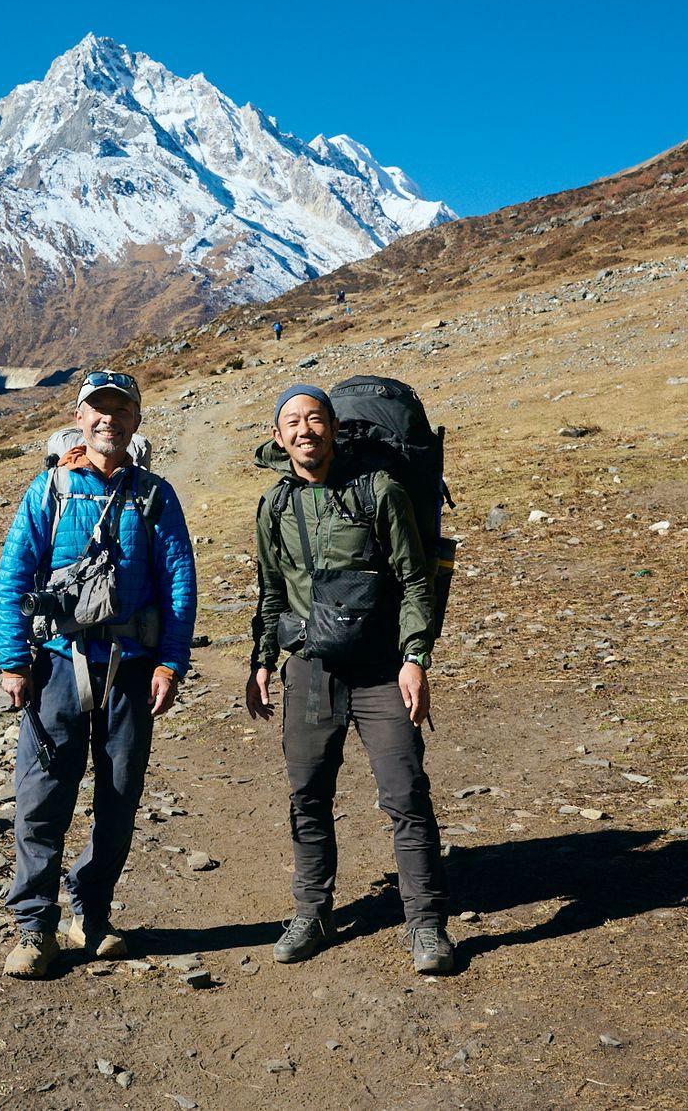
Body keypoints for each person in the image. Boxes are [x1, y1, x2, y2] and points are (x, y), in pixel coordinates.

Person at [244, 383, 456, 974]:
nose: (304, 430)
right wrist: (261, 661)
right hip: (310, 669)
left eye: (315, 419)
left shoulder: (379, 490)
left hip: (382, 669)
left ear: (334, 428)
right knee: (308, 794)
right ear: (279, 437)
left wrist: (415, 658)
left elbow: (415, 579)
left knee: (406, 794)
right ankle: (311, 912)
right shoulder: (275, 507)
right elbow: (269, 591)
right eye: (292, 422)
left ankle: (426, 926)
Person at [0, 369, 198, 978]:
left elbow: (178, 583)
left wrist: (171, 661)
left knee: (117, 798)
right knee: (42, 797)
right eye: (96, 410)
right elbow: (13, 578)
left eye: (120, 410)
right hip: (55, 663)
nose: (108, 419)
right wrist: (13, 662)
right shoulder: (49, 491)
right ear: (80, 419)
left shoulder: (155, 496)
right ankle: (35, 929)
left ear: (136, 422)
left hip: (130, 671)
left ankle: (94, 913)